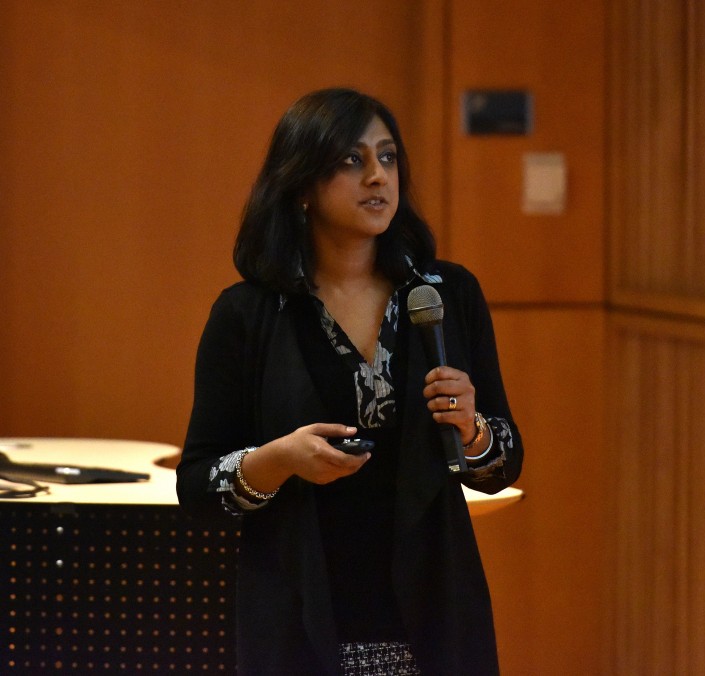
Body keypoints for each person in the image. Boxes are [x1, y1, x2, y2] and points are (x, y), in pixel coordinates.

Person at [176, 88, 523, 676]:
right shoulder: (249, 314)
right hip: (300, 620)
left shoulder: (446, 293)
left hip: (436, 620)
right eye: (351, 161)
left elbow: (503, 464)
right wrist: (279, 459)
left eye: (387, 159)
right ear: (303, 185)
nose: (376, 178)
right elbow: (199, 487)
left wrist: (473, 429)